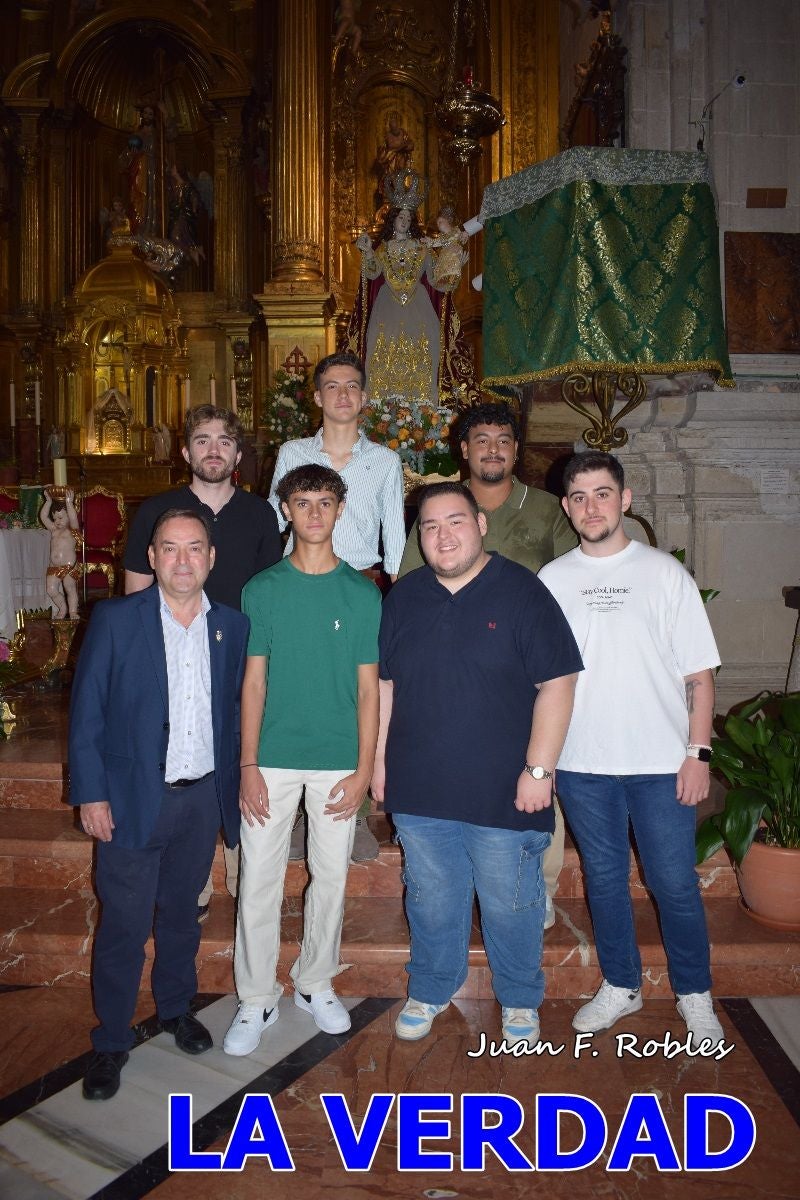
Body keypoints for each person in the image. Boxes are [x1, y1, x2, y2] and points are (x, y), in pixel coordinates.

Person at [372, 482, 582, 1047]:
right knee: (429, 896)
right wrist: (378, 761)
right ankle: (432, 987)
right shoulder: (405, 596)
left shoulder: (523, 592)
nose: (444, 536)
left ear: (481, 525)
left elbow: (558, 683)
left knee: (512, 903)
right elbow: (387, 686)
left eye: (456, 522)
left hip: (504, 790)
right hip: (420, 784)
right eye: (432, 527)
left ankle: (518, 1001)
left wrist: (539, 769)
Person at [538, 451, 725, 1049]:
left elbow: (699, 673)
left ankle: (695, 995)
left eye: (602, 494)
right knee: (605, 878)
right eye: (579, 497)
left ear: (626, 500)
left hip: (659, 763)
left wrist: (699, 752)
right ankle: (622, 984)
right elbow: (542, 677)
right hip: (582, 763)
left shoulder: (664, 573)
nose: (591, 506)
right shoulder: (554, 579)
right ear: (567, 508)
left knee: (673, 882)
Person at [69, 510, 249, 1100]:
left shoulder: (232, 627)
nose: (181, 560)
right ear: (151, 557)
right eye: (168, 548)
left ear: (211, 558)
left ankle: (175, 1008)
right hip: (130, 802)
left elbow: (237, 715)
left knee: (181, 918)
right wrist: (91, 793)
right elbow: (88, 713)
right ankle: (112, 1040)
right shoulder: (117, 620)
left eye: (193, 548)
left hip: (199, 801)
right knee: (123, 925)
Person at [399, 402, 578, 927]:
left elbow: (573, 579)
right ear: (465, 449)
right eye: (482, 440)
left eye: (503, 439)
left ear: (516, 449)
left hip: (529, 668)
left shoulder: (546, 509)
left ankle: (537, 886)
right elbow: (413, 586)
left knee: (538, 774)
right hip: (453, 672)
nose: (493, 449)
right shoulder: (437, 510)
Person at [223, 465, 381, 1055]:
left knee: (331, 877)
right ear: (285, 510)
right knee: (259, 880)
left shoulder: (362, 593)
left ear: (340, 509)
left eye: (324, 502)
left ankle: (314, 983)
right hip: (273, 760)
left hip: (339, 760)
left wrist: (364, 770)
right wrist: (248, 764)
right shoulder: (262, 589)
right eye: (302, 502)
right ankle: (257, 996)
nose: (314, 513)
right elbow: (253, 684)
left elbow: (369, 691)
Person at [125, 404, 281, 916]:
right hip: (172, 658)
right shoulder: (157, 509)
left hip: (237, 662)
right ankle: (186, 881)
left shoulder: (260, 514)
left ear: (237, 453)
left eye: (224, 441)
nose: (213, 449)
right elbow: (136, 591)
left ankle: (240, 873)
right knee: (177, 763)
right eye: (202, 439)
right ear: (186, 450)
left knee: (236, 763)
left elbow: (269, 594)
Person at [268, 352, 404, 863]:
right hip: (299, 584)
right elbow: (274, 521)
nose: (342, 394)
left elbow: (394, 537)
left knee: (361, 694)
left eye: (352, 386)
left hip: (359, 585)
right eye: (332, 386)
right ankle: (302, 813)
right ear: (319, 397)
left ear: (363, 398)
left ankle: (356, 807)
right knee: (299, 687)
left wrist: (395, 594)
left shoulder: (385, 461)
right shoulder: (292, 452)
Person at [40, 487, 81, 620]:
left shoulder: (72, 531)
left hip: (69, 566)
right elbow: (43, 517)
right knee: (51, 589)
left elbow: (74, 518)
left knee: (70, 588)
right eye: (55, 518)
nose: (57, 521)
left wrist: (69, 502)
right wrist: (48, 501)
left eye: (60, 517)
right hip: (54, 567)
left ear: (68, 516)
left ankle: (73, 611)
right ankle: (63, 608)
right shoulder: (53, 530)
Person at [424, 205, 469, 290]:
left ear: (448, 221)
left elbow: (462, 238)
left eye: (440, 222)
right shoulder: (442, 236)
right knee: (442, 268)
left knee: (452, 265)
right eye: (437, 223)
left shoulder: (455, 230)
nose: (438, 225)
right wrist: (428, 241)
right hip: (445, 255)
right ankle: (443, 279)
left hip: (454, 253)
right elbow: (436, 242)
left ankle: (452, 277)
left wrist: (465, 234)